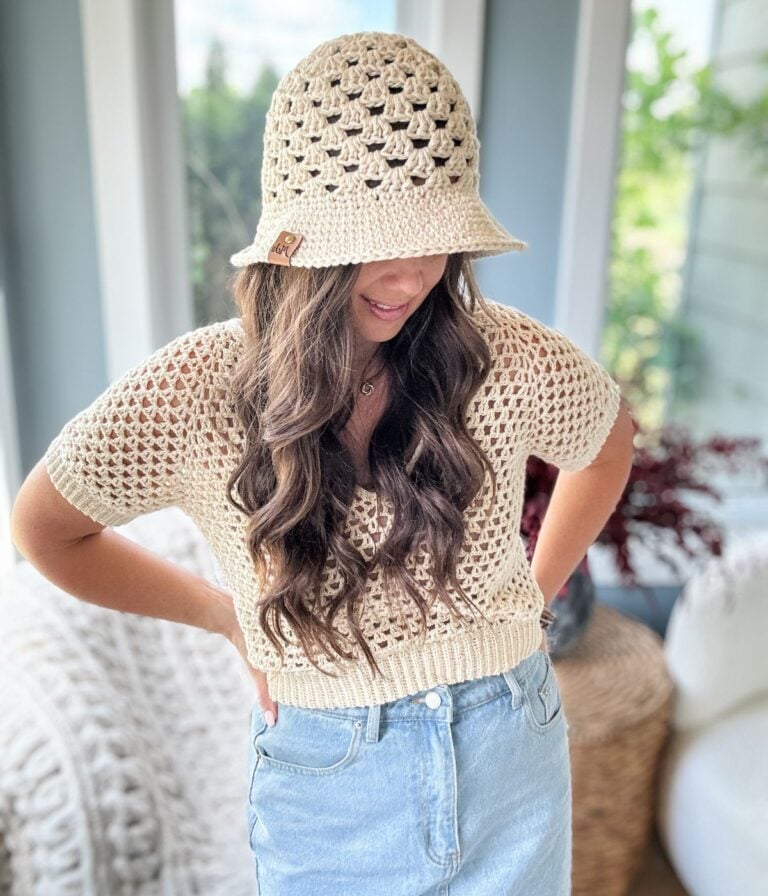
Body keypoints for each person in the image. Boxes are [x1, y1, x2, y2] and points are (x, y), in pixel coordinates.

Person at [11, 30, 635, 896]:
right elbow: (46, 528)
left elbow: (607, 448)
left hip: (513, 749)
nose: (414, 273)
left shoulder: (499, 355)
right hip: (331, 788)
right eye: (380, 235)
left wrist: (537, 588)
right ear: (303, 241)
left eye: (436, 234)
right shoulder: (195, 388)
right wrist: (222, 616)